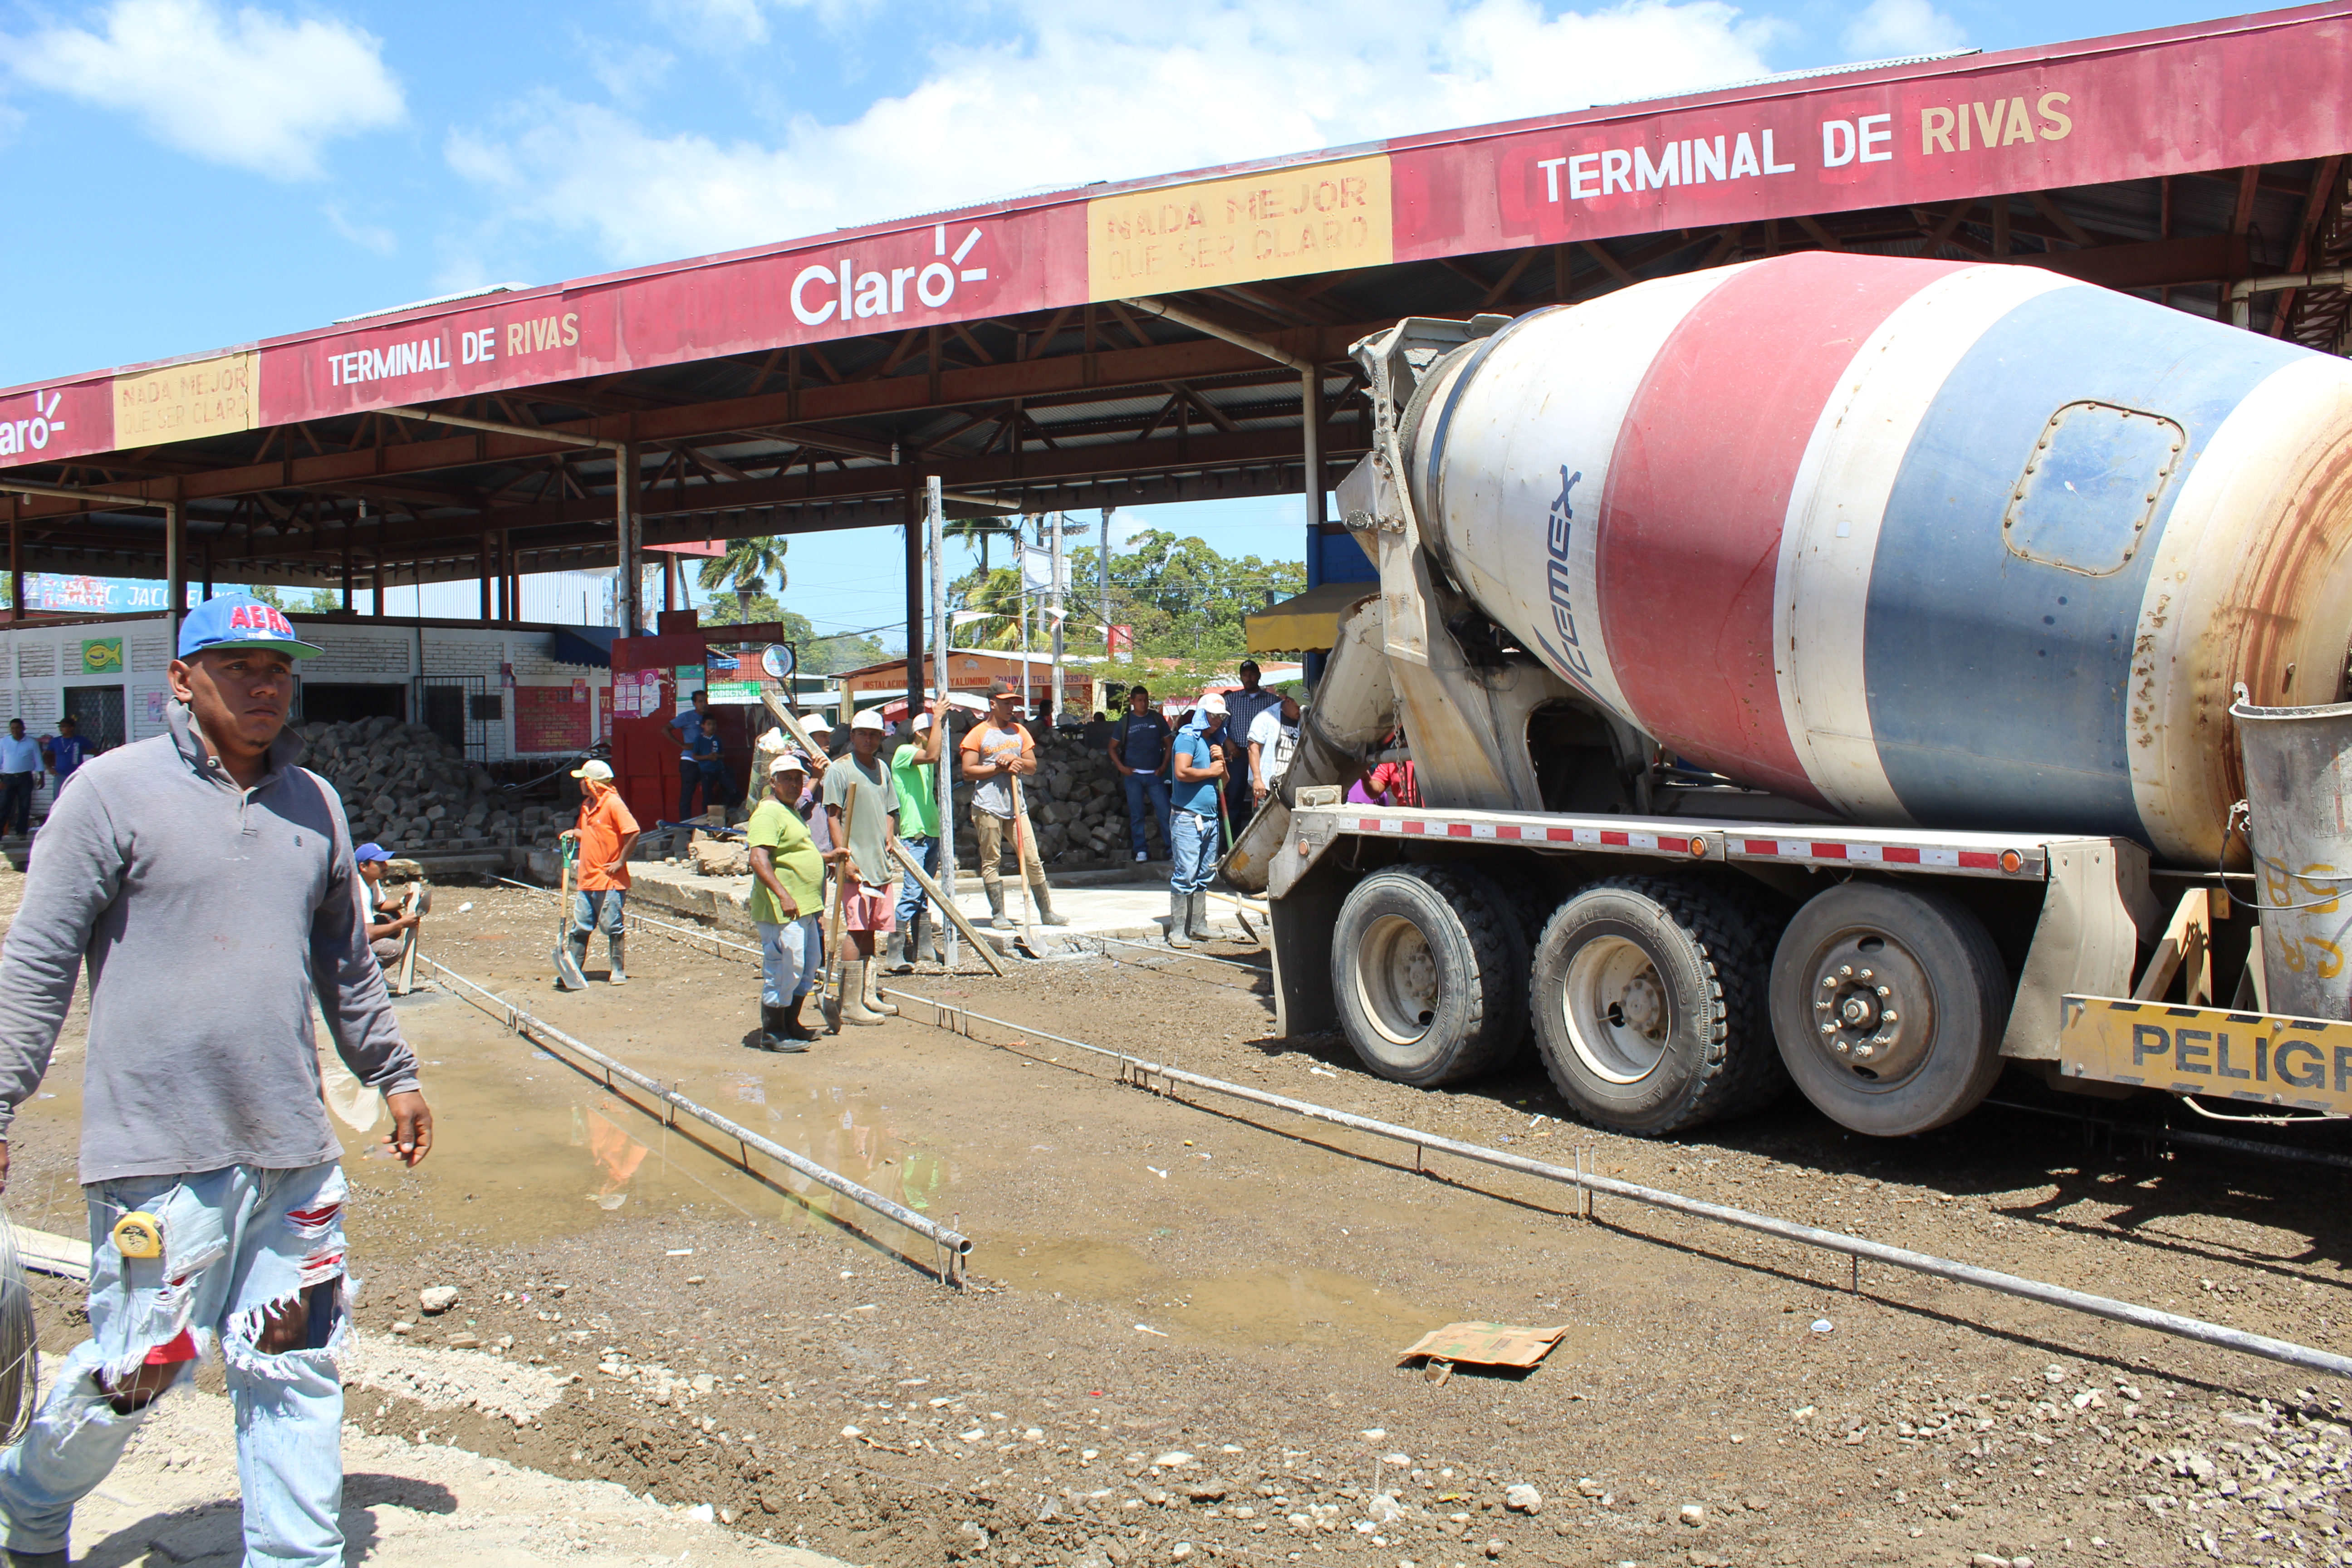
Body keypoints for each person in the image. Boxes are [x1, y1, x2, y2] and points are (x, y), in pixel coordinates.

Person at [0, 591, 431, 1568]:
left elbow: (348, 963)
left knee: (295, 1366)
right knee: (139, 1371)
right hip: (159, 1157)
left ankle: (295, 1557)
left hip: (293, 1157)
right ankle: (28, 1501)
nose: (264, 684)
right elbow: (38, 962)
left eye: (278, 668)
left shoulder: (314, 803)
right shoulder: (109, 796)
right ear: (183, 681)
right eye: (239, 666)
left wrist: (393, 1072)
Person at [959, 679, 1069, 929]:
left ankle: (1047, 911)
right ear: (992, 704)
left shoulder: (1019, 731)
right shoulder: (977, 734)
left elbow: (1032, 767)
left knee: (1032, 858)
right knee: (991, 860)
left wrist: (1015, 760)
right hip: (988, 806)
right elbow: (968, 771)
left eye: (1013, 703)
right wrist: (997, 765)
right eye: (1006, 703)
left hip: (1016, 806)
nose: (1011, 708)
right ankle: (999, 914)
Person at [822, 710, 899, 1027]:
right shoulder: (840, 771)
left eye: (874, 734)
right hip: (856, 863)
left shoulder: (882, 768)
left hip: (878, 862)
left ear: (881, 739)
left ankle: (867, 994)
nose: (868, 739)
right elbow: (832, 815)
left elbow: (890, 809)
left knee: (871, 929)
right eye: (863, 734)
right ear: (852, 736)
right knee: (855, 928)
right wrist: (845, 857)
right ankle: (850, 1003)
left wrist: (889, 836)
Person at [747, 752, 825, 1050]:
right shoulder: (769, 813)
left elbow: (791, 853)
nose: (794, 784)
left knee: (807, 966)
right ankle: (773, 1033)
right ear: (773, 782)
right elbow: (759, 858)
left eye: (798, 779)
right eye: (787, 779)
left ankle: (792, 1023)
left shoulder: (790, 810)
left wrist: (825, 858)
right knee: (784, 968)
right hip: (783, 909)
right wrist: (783, 894)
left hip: (804, 905)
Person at [559, 759, 640, 984]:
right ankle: (573, 972)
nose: (581, 785)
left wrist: (621, 861)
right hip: (587, 879)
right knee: (581, 926)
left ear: (592, 782)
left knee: (611, 924)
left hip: (609, 879)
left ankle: (618, 970)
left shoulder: (613, 804)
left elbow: (633, 832)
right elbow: (589, 833)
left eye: (583, 780)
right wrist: (573, 833)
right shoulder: (587, 806)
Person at [886, 702, 945, 974]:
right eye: (933, 731)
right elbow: (933, 754)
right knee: (911, 893)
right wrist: (940, 717)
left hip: (930, 832)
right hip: (915, 834)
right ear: (921, 733)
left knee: (923, 894)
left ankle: (923, 949)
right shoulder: (905, 752)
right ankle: (895, 952)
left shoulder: (923, 755)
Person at [1166, 695, 1226, 948]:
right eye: (1213, 715)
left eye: (1221, 717)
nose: (1217, 720)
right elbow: (1181, 772)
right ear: (1202, 714)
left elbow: (1226, 782)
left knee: (1204, 874)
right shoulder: (1188, 738)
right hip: (1188, 817)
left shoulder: (1213, 743)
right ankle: (1177, 930)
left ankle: (1198, 925)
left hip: (1210, 819)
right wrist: (1211, 771)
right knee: (1186, 873)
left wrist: (1221, 762)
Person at [1108, 685, 1171, 863]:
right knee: (1137, 814)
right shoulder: (1125, 721)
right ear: (1132, 701)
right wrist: (1122, 768)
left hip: (1155, 776)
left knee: (1166, 813)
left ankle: (1172, 850)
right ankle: (1141, 850)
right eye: (1140, 700)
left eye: (1146, 700)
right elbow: (1112, 748)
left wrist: (1164, 766)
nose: (1144, 704)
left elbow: (1169, 744)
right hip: (1133, 776)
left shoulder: (1157, 719)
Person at [1221, 661, 1280, 831]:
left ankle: (1265, 834)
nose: (1249, 678)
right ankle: (1231, 843)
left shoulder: (1272, 701)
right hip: (1238, 754)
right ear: (1241, 677)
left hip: (1264, 756)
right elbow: (1220, 726)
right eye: (1245, 675)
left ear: (1259, 675)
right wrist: (1228, 743)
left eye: (1252, 674)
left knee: (1266, 796)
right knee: (1235, 798)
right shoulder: (1231, 700)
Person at [353, 842, 421, 965]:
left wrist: (402, 902)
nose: (385, 866)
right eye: (379, 863)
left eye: (384, 862)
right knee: (395, 950)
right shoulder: (359, 891)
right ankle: (370, 976)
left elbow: (380, 905)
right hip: (346, 946)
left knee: (391, 917)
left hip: (355, 934)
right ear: (363, 867)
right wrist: (402, 924)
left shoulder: (370, 880)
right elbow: (370, 933)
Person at [1248, 694, 1303, 810]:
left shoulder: (1303, 721)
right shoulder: (1266, 717)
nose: (1300, 711)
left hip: (1290, 786)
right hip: (1267, 786)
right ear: (1288, 701)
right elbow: (1253, 748)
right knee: (1263, 824)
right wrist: (1257, 779)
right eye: (1298, 707)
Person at [667, 687, 713, 821]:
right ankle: (685, 826)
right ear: (694, 703)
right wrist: (681, 745)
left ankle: (708, 823)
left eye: (705, 701)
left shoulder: (709, 718)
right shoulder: (687, 716)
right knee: (687, 795)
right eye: (700, 702)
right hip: (690, 760)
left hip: (706, 761)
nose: (703, 704)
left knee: (708, 793)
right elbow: (666, 729)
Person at [691, 715, 738, 817]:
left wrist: (717, 756)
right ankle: (706, 818)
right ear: (703, 725)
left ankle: (725, 811)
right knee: (707, 796)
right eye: (709, 724)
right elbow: (695, 756)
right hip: (706, 771)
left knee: (732, 790)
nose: (712, 727)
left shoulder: (717, 739)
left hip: (720, 769)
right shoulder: (699, 739)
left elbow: (723, 754)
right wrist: (708, 757)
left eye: (714, 725)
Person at [0, 720, 41, 838]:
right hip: (8, 778)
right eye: (12, 729)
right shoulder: (4, 742)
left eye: (17, 728)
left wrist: (41, 777)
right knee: (4, 805)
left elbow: (38, 760)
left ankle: (21, 832)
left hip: (25, 777)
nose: (15, 731)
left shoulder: (31, 743)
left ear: (23, 728)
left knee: (25, 805)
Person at [41, 716, 88, 794]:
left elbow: (96, 752)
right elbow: (46, 756)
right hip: (60, 775)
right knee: (59, 799)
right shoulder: (55, 741)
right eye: (60, 726)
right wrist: (49, 768)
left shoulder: (80, 740)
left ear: (72, 728)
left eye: (64, 726)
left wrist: (87, 768)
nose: (61, 728)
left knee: (76, 797)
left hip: (76, 775)